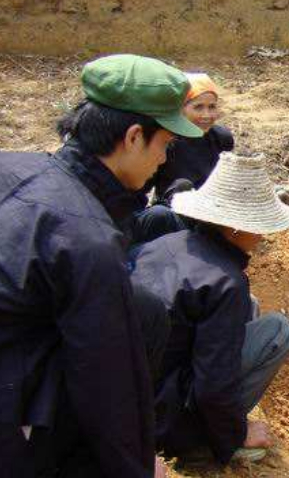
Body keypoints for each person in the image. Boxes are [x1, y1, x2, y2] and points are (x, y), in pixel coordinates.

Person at [0, 54, 203, 478]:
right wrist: (136, 465)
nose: (164, 161)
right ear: (133, 137)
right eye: (164, 145)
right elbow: (106, 379)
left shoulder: (14, 166)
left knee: (141, 307)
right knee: (129, 333)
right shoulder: (86, 238)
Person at [129, 153, 289, 465]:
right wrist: (234, 434)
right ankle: (198, 442)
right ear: (237, 228)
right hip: (160, 419)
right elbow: (213, 384)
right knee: (279, 330)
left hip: (127, 395)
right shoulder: (226, 282)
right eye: (260, 226)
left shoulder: (168, 241)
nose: (263, 236)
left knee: (250, 306)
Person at [132, 72, 235, 244]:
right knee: (182, 186)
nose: (207, 115)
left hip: (213, 215)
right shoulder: (167, 141)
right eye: (198, 107)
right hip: (176, 219)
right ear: (181, 109)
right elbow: (140, 188)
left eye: (212, 107)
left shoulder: (221, 139)